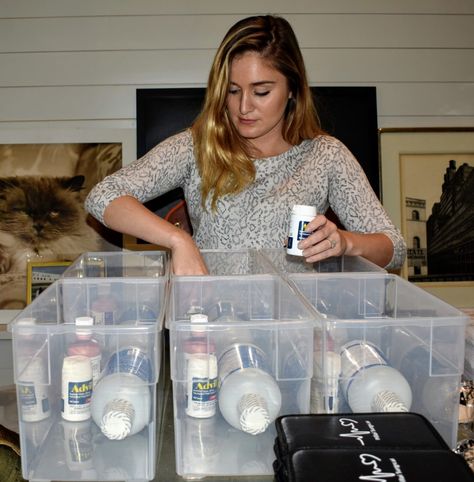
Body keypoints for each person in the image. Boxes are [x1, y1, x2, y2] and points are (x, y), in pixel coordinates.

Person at [85, 15, 406, 275]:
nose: (243, 107)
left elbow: (395, 249)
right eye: (233, 90)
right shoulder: (197, 148)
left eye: (261, 91)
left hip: (292, 334)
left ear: (292, 89)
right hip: (213, 331)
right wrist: (178, 240)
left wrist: (346, 243)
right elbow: (103, 197)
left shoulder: (326, 156)